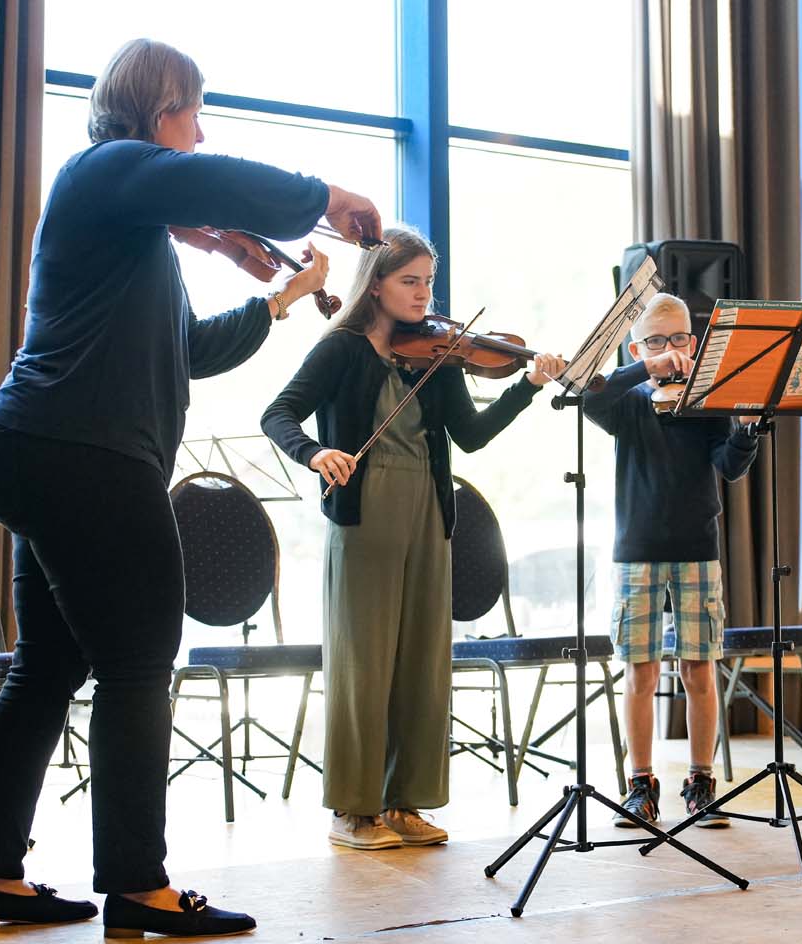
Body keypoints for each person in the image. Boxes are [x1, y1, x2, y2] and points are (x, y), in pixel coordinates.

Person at [0, 39, 381, 939]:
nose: (200, 132)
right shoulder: (104, 168)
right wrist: (326, 198)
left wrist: (279, 300)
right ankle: (138, 888)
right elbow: (214, 178)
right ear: (156, 109)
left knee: (50, 664)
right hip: (83, 454)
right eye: (192, 113)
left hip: (39, 449)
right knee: (140, 662)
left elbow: (186, 351)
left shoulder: (133, 231)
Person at [260, 226, 566, 850]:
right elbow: (278, 413)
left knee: (424, 661)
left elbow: (470, 436)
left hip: (429, 508)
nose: (424, 293)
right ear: (375, 285)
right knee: (363, 662)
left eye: (429, 281)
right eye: (410, 281)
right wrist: (315, 453)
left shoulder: (438, 355)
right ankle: (353, 811)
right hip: (364, 511)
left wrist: (528, 386)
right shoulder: (341, 348)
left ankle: (405, 802)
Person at [581, 292, 758, 829]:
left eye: (679, 339)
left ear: (695, 342)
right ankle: (641, 785)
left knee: (699, 668)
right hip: (636, 550)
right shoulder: (628, 400)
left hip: (697, 547)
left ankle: (701, 783)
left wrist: (746, 430)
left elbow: (729, 466)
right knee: (640, 670)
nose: (671, 349)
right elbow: (589, 396)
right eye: (656, 342)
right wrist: (647, 369)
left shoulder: (707, 398)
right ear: (637, 349)